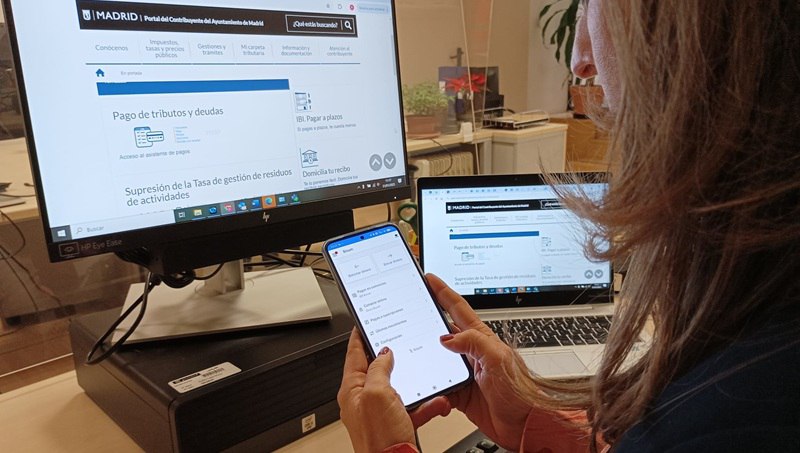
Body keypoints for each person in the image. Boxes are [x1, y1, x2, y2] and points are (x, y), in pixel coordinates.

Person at [338, 1, 800, 451]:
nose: (580, 58)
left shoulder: (728, 412)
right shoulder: (754, 353)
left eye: (592, 5)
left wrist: (391, 448)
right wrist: (530, 424)